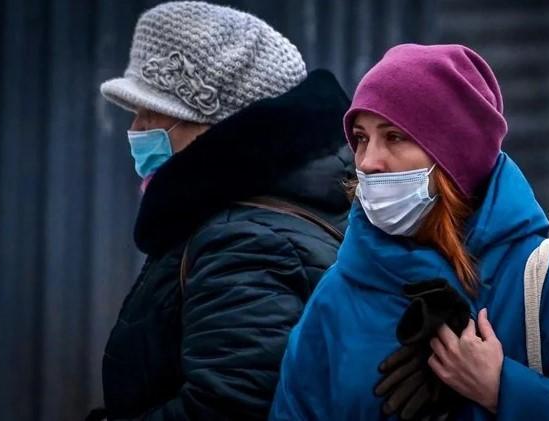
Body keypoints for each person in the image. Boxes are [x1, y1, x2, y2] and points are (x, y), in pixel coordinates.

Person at [269, 44, 549, 420]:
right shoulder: (338, 293)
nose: (368, 162)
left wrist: (503, 390)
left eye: (394, 137)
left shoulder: (548, 282)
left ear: (454, 156)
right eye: (362, 138)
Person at [88, 2, 352, 420]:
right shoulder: (236, 217)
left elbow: (228, 407)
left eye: (151, 113)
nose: (135, 130)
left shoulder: (245, 243)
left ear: (218, 125)